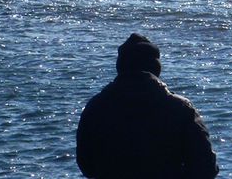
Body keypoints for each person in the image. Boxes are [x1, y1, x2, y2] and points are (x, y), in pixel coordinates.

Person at [76, 33, 219, 179]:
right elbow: (206, 167)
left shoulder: (96, 107)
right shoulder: (180, 108)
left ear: (121, 67)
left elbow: (86, 165)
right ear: (156, 68)